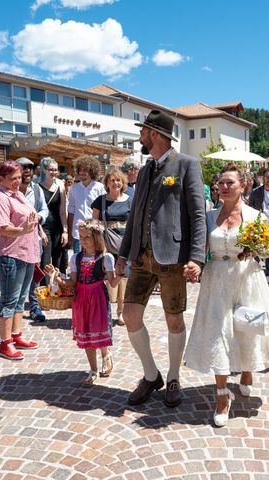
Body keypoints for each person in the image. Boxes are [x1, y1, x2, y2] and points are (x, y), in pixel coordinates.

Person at [185, 164, 269, 427]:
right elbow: (200, 246)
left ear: (243, 186)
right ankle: (222, 396)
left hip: (247, 278)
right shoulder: (209, 217)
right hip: (216, 279)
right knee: (218, 334)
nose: (223, 187)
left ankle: (246, 371)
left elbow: (268, 251)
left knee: (244, 329)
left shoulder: (256, 216)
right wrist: (195, 263)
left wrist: (257, 246)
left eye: (230, 183)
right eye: (220, 183)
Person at [115, 109, 206, 408]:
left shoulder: (187, 165)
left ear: (154, 134)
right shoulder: (144, 170)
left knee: (174, 320)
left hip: (173, 257)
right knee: (130, 315)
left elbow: (197, 215)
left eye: (143, 132)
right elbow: (134, 217)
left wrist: (196, 257)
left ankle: (174, 377)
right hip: (142, 257)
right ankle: (151, 375)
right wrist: (123, 254)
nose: (140, 137)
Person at [45, 220, 122, 386]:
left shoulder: (105, 258)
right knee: (87, 334)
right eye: (81, 236)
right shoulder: (76, 258)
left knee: (98, 330)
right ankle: (93, 369)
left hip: (98, 299)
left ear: (97, 238)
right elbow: (71, 282)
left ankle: (105, 355)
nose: (84, 240)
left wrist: (121, 273)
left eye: (88, 237)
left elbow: (113, 283)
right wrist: (57, 277)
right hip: (81, 300)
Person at [0, 160, 40, 360]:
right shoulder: (0, 198)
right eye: (13, 178)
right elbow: (2, 226)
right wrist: (22, 230)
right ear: (1, 179)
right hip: (10, 254)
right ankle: (5, 343)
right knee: (8, 300)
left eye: (19, 177)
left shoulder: (18, 194)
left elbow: (30, 218)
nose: (17, 181)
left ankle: (16, 335)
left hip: (27, 252)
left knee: (20, 299)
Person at [92, 168, 133, 326]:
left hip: (126, 244)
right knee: (106, 277)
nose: (115, 183)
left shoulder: (130, 199)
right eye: (112, 180)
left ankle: (121, 312)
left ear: (122, 183)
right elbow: (94, 223)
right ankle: (104, 310)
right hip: (106, 244)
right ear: (107, 183)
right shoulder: (100, 201)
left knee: (123, 276)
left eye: (118, 180)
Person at [16, 157, 49, 322]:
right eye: (24, 167)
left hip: (33, 240)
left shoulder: (36, 190)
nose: (27, 170)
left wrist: (39, 218)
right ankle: (17, 308)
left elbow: (44, 208)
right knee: (18, 276)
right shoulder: (9, 191)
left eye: (30, 167)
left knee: (35, 274)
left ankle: (35, 306)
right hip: (14, 241)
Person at [67, 156, 106, 254]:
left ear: (92, 171)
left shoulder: (100, 188)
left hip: (95, 233)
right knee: (78, 262)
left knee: (94, 261)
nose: (82, 172)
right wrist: (69, 232)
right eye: (80, 170)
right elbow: (71, 211)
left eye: (85, 170)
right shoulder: (74, 189)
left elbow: (104, 210)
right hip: (78, 233)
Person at [38, 157, 68, 276]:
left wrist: (65, 231)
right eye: (51, 170)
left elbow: (62, 211)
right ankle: (44, 290)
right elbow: (35, 211)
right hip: (44, 226)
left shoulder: (60, 186)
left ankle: (59, 288)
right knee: (45, 261)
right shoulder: (36, 186)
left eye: (56, 170)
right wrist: (40, 231)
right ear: (44, 170)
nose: (54, 172)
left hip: (58, 227)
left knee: (59, 260)